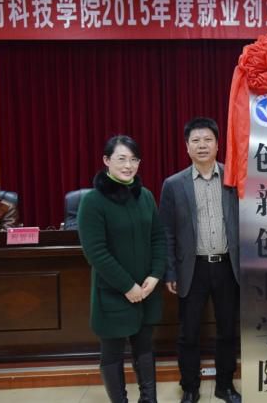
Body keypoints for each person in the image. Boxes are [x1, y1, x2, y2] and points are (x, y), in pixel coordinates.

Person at [77, 135, 166, 403]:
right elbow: (96, 252)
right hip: (113, 291)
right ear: (106, 160)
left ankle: (148, 399)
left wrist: (155, 275)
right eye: (122, 159)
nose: (129, 165)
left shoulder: (145, 196)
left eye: (134, 159)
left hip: (147, 288)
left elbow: (158, 238)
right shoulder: (93, 201)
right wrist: (128, 286)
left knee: (145, 346)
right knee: (112, 351)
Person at [159, 117, 241, 403]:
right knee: (189, 333)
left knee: (228, 330)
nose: (202, 145)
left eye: (208, 140)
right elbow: (166, 232)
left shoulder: (234, 178)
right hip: (191, 268)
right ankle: (190, 387)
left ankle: (225, 385)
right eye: (196, 140)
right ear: (187, 147)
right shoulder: (173, 185)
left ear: (218, 145)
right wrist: (170, 271)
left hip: (228, 267)